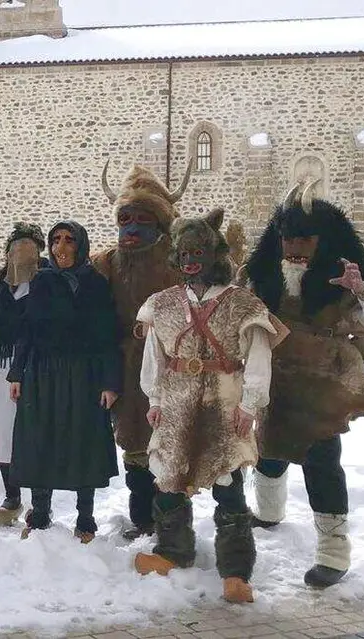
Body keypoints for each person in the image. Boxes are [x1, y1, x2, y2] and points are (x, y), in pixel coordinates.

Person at [241, 180, 364, 588]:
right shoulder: (263, 277)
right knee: (268, 448)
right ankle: (269, 512)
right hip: (275, 379)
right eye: (287, 238)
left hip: (323, 383)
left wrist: (361, 291)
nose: (294, 248)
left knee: (321, 462)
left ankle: (333, 552)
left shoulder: (345, 281)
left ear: (324, 241)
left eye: (305, 239)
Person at [133, 209, 287, 604]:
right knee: (168, 478)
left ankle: (236, 572)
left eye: (198, 252)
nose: (190, 261)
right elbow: (154, 356)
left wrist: (250, 404)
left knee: (228, 484)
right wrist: (154, 398)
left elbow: (258, 357)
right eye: (184, 253)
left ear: (214, 255)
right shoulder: (163, 304)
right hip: (177, 400)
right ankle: (173, 551)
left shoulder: (242, 304)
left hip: (224, 401)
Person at [93, 161, 192, 539]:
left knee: (172, 444)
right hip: (128, 368)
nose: (131, 228)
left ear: (161, 224)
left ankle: (173, 527)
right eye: (125, 219)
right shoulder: (105, 264)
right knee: (134, 443)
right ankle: (143, 519)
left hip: (173, 367)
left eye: (143, 219)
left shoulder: (181, 264)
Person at [7, 221, 119, 543]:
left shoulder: (96, 284)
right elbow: (27, 330)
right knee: (40, 439)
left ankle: (85, 519)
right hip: (42, 374)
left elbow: (107, 336)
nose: (61, 247)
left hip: (84, 375)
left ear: (80, 246)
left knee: (83, 440)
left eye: (69, 240)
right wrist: (17, 373)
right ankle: (40, 514)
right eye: (56, 240)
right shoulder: (41, 281)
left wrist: (110, 382)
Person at [0, 222, 47, 526]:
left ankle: (40, 501)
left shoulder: (46, 279)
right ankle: (12, 495)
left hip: (35, 362)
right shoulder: (2, 280)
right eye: (15, 249)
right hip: (4, 361)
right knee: (3, 430)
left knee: (32, 429)